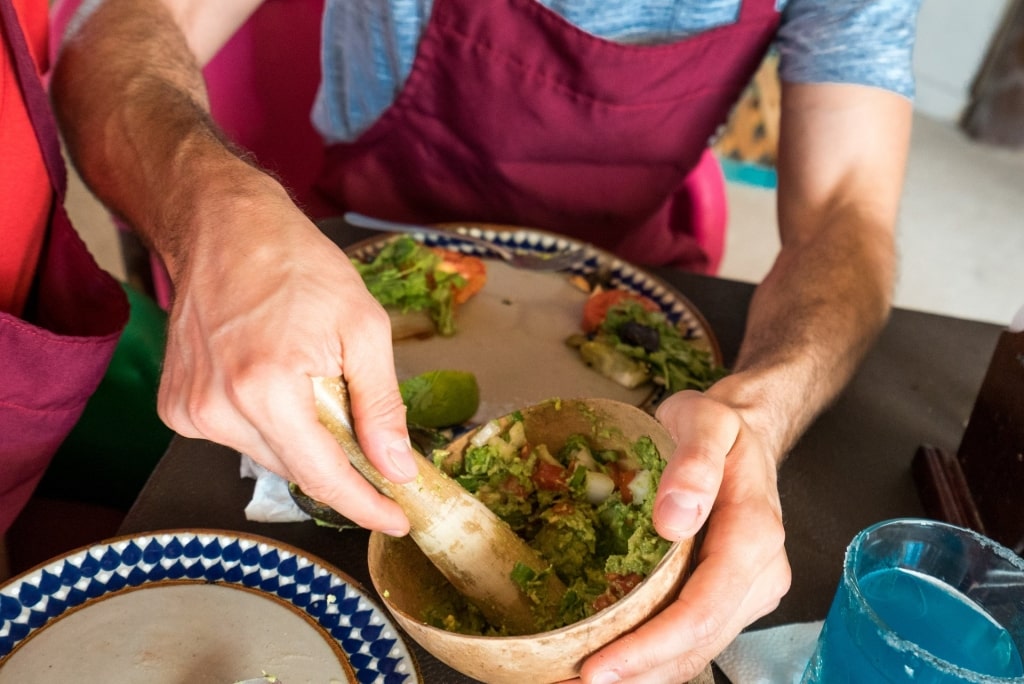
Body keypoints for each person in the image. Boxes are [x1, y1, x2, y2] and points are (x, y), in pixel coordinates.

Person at [51, 0, 921, 681]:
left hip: (630, 279)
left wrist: (759, 414)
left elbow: (849, 211)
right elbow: (108, 30)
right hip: (353, 258)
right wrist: (211, 203)